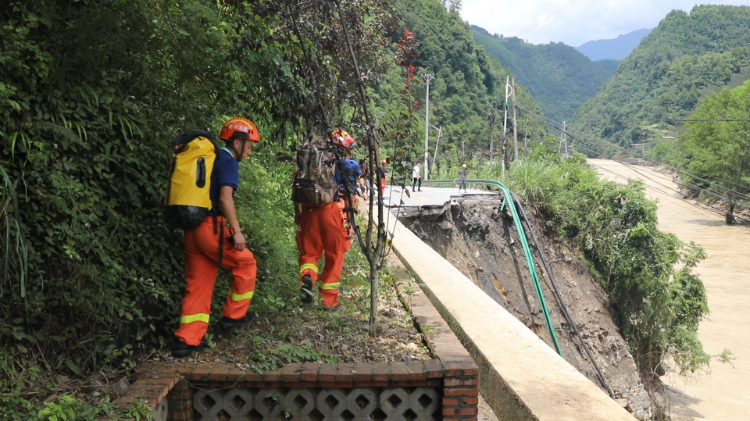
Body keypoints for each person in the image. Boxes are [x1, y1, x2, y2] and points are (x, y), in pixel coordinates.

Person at [173, 117, 260, 358]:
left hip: (193, 229)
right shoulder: (228, 161)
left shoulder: (213, 159)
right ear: (239, 142)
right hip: (212, 227)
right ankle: (235, 314)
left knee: (198, 285)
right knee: (246, 263)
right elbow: (225, 198)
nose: (250, 151)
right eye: (250, 145)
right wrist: (237, 231)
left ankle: (186, 340)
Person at [296, 130, 361, 310]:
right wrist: (350, 221)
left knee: (309, 253)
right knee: (335, 254)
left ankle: (307, 278)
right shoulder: (346, 165)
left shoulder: (311, 162)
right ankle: (330, 302)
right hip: (330, 212)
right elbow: (349, 194)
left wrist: (299, 212)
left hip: (308, 210)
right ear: (345, 149)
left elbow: (298, 187)